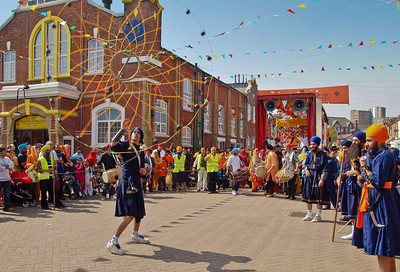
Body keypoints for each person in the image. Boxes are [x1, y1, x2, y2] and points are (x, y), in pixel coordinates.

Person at [353, 124, 400, 272]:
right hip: (380, 201)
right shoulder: (380, 156)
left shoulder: (384, 156)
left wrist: (365, 168)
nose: (366, 144)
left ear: (379, 140)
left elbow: (378, 182)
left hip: (383, 204)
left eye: (369, 140)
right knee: (385, 249)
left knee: (384, 246)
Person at [107, 119, 150, 255]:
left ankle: (135, 234)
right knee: (131, 213)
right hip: (127, 182)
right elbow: (113, 144)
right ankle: (113, 241)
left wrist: (145, 171)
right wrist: (122, 130)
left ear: (141, 137)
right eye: (133, 132)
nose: (135, 134)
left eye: (138, 133)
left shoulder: (141, 151)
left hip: (136, 181)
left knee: (139, 211)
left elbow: (143, 168)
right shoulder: (126, 145)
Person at [341, 132, 366, 240]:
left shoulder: (364, 154)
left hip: (360, 186)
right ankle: (353, 232)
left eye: (356, 140)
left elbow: (366, 171)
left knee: (359, 210)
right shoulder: (350, 154)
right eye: (353, 140)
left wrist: (354, 173)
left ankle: (361, 234)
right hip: (350, 184)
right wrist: (341, 176)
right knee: (351, 210)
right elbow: (347, 168)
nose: (354, 143)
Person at [302, 136, 329, 222]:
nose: (312, 146)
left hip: (318, 177)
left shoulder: (323, 155)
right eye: (311, 144)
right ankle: (309, 214)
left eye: (313, 144)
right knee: (308, 195)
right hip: (310, 177)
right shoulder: (309, 154)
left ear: (317, 144)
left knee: (319, 196)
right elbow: (306, 164)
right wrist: (306, 170)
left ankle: (318, 215)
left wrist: (322, 179)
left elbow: (325, 168)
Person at [36, 145, 65, 209]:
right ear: (44, 152)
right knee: (44, 193)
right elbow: (37, 169)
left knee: (53, 191)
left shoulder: (51, 158)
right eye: (47, 150)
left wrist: (55, 168)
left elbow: (53, 165)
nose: (49, 152)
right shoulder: (40, 160)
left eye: (49, 150)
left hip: (51, 177)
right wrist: (46, 170)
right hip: (43, 178)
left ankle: (57, 203)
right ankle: (44, 205)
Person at [0, 146, 15, 212]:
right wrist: (4, 167)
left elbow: (12, 164)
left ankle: (6, 207)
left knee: (7, 194)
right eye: (4, 151)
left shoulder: (7, 159)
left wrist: (5, 166)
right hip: (0, 179)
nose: (6, 153)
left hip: (7, 179)